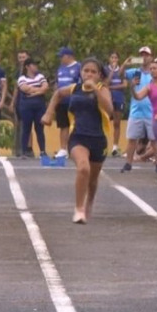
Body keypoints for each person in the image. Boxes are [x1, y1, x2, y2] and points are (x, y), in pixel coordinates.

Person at [42, 57, 115, 224]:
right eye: (86, 70)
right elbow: (58, 94)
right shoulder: (75, 88)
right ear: (81, 72)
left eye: (93, 72)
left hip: (98, 139)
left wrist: (95, 90)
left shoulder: (103, 89)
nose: (89, 74)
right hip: (78, 136)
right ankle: (79, 208)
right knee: (83, 168)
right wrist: (49, 113)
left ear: (99, 75)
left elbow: (110, 110)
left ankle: (89, 202)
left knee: (93, 178)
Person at [121, 47, 156, 173]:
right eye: (142, 55)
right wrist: (125, 64)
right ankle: (128, 163)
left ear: (151, 57)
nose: (144, 57)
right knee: (132, 138)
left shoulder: (154, 73)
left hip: (151, 110)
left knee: (154, 139)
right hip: (136, 110)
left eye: (147, 55)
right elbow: (120, 75)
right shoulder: (134, 72)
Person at [16, 58, 48, 158]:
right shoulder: (22, 78)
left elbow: (45, 87)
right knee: (26, 128)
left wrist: (35, 91)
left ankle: (43, 151)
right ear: (27, 67)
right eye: (34, 65)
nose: (36, 66)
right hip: (26, 107)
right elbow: (25, 89)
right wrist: (39, 90)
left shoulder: (40, 76)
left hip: (39, 106)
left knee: (40, 128)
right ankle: (24, 151)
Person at [53, 47, 81, 157]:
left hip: (74, 101)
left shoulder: (79, 67)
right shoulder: (60, 68)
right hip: (61, 101)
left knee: (75, 125)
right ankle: (63, 149)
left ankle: (75, 148)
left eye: (62, 56)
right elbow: (57, 83)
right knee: (63, 125)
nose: (60, 58)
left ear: (69, 56)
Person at [105, 52, 127, 157]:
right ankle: (103, 146)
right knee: (104, 121)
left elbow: (124, 85)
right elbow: (106, 83)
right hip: (108, 98)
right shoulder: (106, 69)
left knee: (117, 123)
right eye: (112, 57)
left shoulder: (122, 70)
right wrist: (112, 70)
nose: (114, 59)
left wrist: (112, 87)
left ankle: (115, 146)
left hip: (119, 98)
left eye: (116, 57)